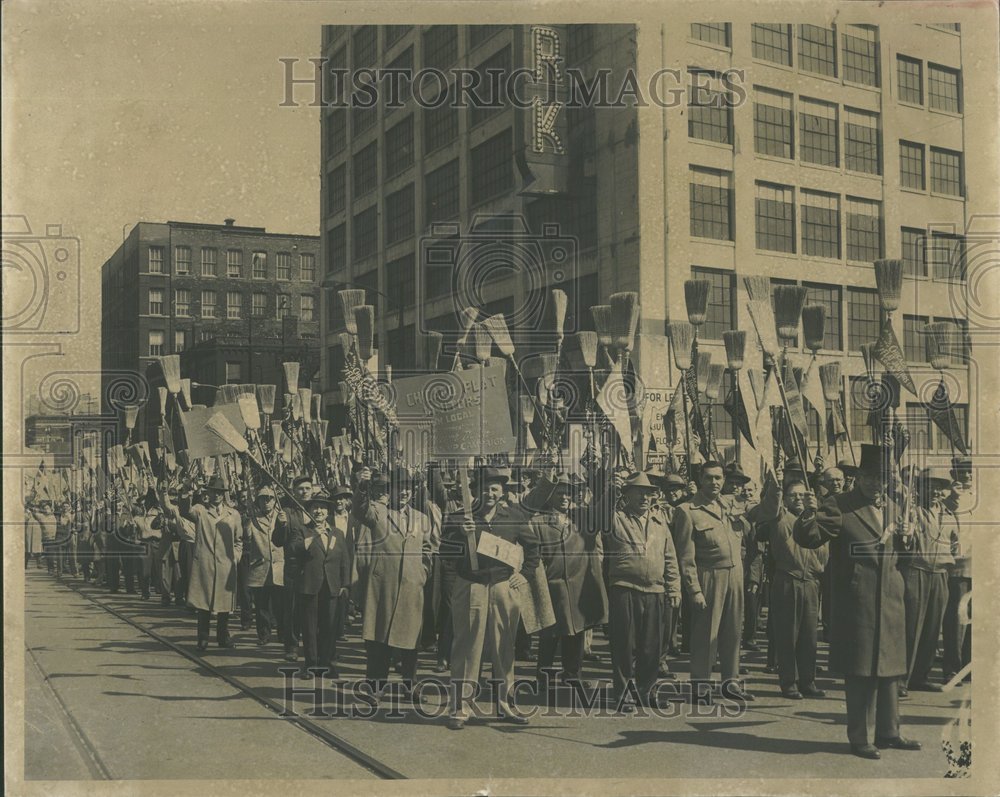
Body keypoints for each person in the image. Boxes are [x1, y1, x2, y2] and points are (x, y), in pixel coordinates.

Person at [794, 444, 921, 759]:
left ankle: (889, 732)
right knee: (861, 669)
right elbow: (809, 538)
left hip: (891, 598)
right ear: (858, 477)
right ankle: (860, 737)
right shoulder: (839, 505)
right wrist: (809, 512)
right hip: (858, 600)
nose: (873, 483)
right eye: (867, 476)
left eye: (879, 478)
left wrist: (908, 536)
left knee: (890, 668)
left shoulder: (894, 507)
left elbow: (905, 557)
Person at [440, 466, 540, 730]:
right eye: (485, 488)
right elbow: (444, 553)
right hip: (471, 585)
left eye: (495, 488)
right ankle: (460, 708)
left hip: (503, 587)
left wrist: (525, 575)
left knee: (504, 646)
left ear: (503, 491)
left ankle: (505, 705)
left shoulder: (514, 516)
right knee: (466, 647)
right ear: (474, 491)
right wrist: (461, 535)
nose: (490, 493)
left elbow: (533, 548)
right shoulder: (460, 517)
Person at [671, 461, 752, 703]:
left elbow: (762, 515)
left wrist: (777, 492)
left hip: (735, 575)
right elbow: (685, 555)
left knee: (733, 633)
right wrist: (694, 590)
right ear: (700, 479)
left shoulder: (730, 504)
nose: (715, 483)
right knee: (706, 634)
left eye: (718, 478)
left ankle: (731, 684)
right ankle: (701, 687)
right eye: (709, 478)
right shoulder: (687, 510)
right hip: (709, 576)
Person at [352, 467, 434, 699]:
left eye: (408, 488)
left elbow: (428, 550)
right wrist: (362, 486)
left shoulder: (422, 518)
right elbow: (359, 510)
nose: (405, 492)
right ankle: (375, 688)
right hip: (383, 587)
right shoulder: (378, 512)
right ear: (391, 490)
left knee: (410, 642)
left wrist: (422, 573)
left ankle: (410, 685)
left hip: (411, 587)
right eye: (400, 487)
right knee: (380, 641)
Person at [605, 471, 680, 709]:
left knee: (651, 647)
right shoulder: (615, 518)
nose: (644, 498)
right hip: (625, 589)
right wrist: (609, 490)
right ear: (626, 495)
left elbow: (670, 558)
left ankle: (646, 691)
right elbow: (597, 512)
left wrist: (674, 588)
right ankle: (623, 694)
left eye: (648, 494)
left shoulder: (660, 523)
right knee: (624, 645)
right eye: (639, 493)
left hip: (655, 591)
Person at [531, 474, 608, 688]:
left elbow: (603, 513)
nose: (565, 497)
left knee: (576, 631)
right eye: (560, 492)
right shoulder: (538, 522)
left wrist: (611, 488)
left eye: (568, 492)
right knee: (549, 634)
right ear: (550, 495)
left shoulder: (581, 517)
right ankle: (543, 677)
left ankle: (572, 675)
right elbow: (533, 556)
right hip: (552, 585)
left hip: (578, 585)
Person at [757, 474, 828, 699]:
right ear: (785, 499)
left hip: (811, 582)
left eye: (802, 495)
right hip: (787, 580)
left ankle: (808, 681)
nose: (798, 499)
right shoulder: (779, 516)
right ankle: (789, 682)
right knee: (787, 634)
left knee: (809, 635)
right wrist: (776, 488)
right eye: (793, 495)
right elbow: (770, 503)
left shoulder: (817, 518)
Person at [161, 476, 244, 651]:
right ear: (208, 492)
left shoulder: (233, 514)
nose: (217, 496)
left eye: (220, 493)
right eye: (214, 492)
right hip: (205, 563)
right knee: (204, 603)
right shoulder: (200, 510)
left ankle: (223, 637)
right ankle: (203, 638)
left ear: (224, 495)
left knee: (224, 605)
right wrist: (185, 491)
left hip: (225, 566)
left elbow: (239, 540)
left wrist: (235, 557)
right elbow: (184, 511)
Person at [900, 467, 955, 694]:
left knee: (933, 629)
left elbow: (955, 544)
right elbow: (904, 540)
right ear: (920, 489)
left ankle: (920, 676)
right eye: (929, 486)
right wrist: (907, 533)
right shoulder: (912, 512)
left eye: (939, 487)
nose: (935, 491)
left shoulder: (949, 515)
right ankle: (901, 680)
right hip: (917, 572)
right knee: (911, 628)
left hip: (940, 575)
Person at [287, 491, 352, 678]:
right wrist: (312, 537)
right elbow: (293, 550)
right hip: (309, 586)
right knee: (309, 628)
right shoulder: (302, 530)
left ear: (328, 511)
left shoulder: (337, 533)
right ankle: (311, 664)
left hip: (331, 587)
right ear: (309, 510)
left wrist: (345, 584)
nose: (319, 511)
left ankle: (327, 664)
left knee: (329, 627)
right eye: (315, 507)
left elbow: (344, 561)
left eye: (323, 508)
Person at [272, 475, 314, 662]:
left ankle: (314, 647)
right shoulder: (286, 512)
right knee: (292, 607)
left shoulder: (318, 510)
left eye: (307, 488)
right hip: (294, 566)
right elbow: (278, 541)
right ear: (294, 491)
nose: (304, 492)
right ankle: (291, 646)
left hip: (314, 566)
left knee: (313, 608)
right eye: (300, 489)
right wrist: (281, 526)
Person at [942, 458, 972, 684]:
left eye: (971, 472)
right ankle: (953, 666)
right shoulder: (949, 501)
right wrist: (955, 497)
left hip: (981, 565)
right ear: (954, 474)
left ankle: (970, 664)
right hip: (959, 568)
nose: (968, 476)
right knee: (956, 619)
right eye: (963, 473)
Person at [245, 485, 286, 646]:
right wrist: (248, 520)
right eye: (263, 499)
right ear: (258, 502)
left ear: (275, 501)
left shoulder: (281, 516)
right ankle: (264, 634)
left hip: (279, 567)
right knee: (261, 606)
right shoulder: (254, 518)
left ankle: (283, 634)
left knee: (281, 605)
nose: (266, 502)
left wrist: (283, 523)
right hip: (260, 567)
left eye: (269, 499)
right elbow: (246, 536)